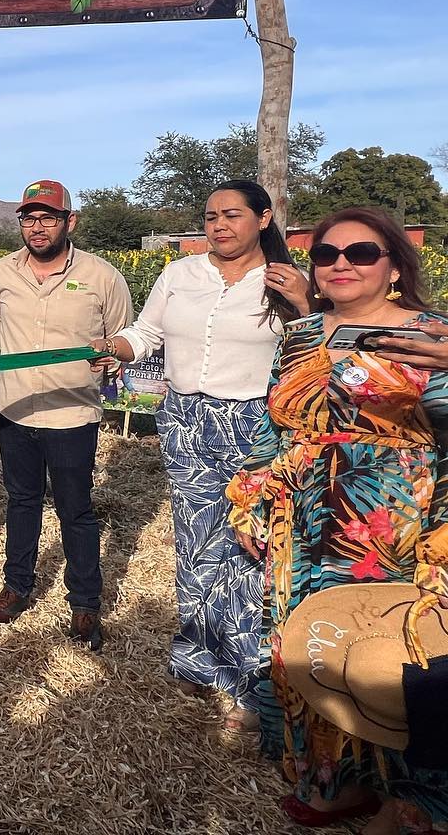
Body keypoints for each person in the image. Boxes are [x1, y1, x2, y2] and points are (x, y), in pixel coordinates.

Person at [227, 207, 448, 834]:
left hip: (395, 519)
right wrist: (249, 494)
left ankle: (411, 800)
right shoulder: (303, 334)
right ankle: (335, 781)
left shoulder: (433, 333)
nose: (341, 264)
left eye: (361, 253)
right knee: (311, 647)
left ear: (396, 267)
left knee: (392, 653)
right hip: (302, 517)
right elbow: (278, 425)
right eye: (326, 255)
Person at [93, 180, 309, 733]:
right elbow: (146, 334)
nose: (218, 225)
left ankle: (249, 679)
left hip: (257, 426)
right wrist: (115, 348)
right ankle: (198, 657)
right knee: (195, 541)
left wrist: (306, 304)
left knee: (250, 547)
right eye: (210, 216)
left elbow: (314, 353)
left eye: (232, 215)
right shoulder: (179, 275)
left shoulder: (286, 281)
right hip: (186, 418)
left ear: (264, 219)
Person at [0, 180, 133, 650]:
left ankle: (85, 602)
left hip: (72, 413)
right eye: (29, 218)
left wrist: (112, 358)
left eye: (48, 217)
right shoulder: (1, 272)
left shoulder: (102, 275)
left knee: (76, 510)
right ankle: (18, 586)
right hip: (15, 409)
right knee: (21, 502)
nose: (38, 226)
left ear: (70, 221)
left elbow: (123, 335)